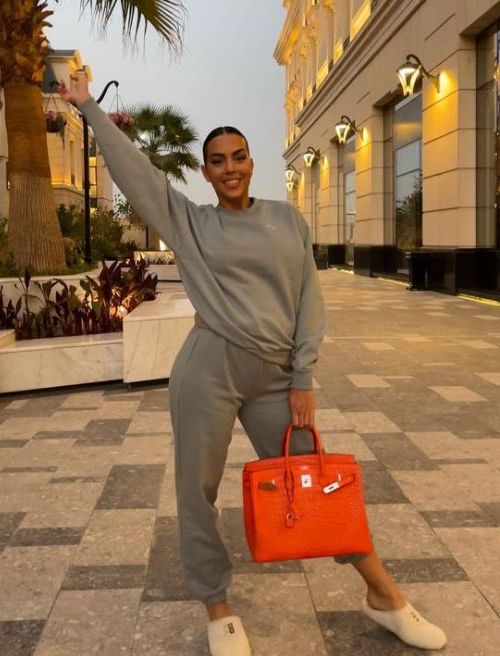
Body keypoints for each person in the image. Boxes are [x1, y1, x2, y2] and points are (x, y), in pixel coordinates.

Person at [59, 72, 447, 656]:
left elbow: (307, 301)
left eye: (238, 156)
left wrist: (302, 377)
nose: (230, 168)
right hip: (208, 368)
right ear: (205, 172)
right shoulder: (193, 223)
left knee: (316, 479)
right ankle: (217, 606)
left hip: (275, 376)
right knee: (197, 488)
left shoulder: (286, 219)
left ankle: (383, 594)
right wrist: (88, 106)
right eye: (217, 161)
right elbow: (138, 174)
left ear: (251, 161)